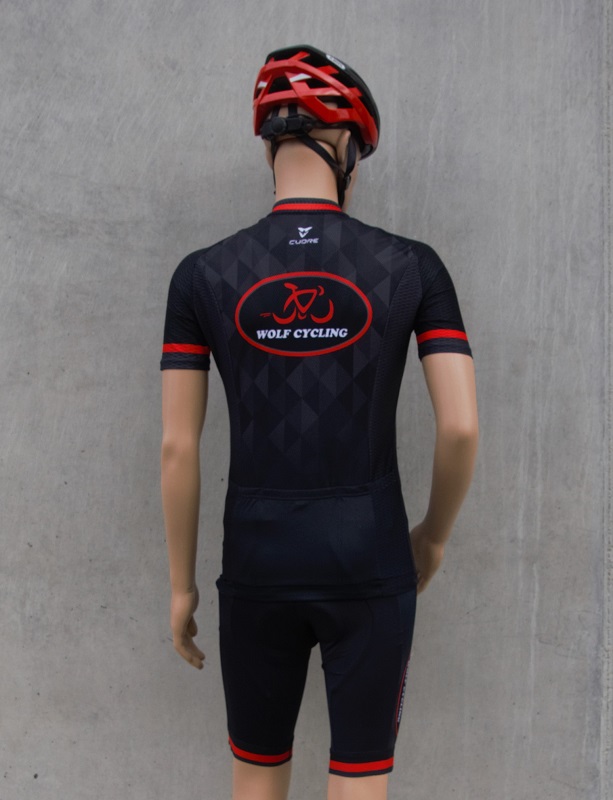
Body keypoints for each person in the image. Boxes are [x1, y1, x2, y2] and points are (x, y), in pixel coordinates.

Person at [160, 45, 478, 800]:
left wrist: (181, 587)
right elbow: (460, 428)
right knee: (360, 779)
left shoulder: (202, 274)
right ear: (347, 149)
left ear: (269, 146)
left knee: (256, 776)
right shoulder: (412, 267)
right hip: (369, 555)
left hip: (256, 562)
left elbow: (177, 446)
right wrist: (432, 536)